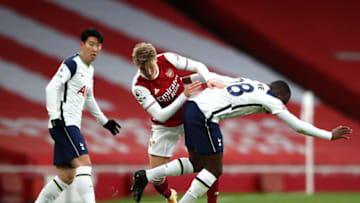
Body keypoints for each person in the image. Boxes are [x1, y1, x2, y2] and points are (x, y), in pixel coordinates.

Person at [131, 73, 353, 203]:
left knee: (198, 164)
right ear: (279, 95)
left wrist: (182, 80)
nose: (279, 107)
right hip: (205, 117)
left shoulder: (249, 81)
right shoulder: (272, 99)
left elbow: (213, 77)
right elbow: (297, 126)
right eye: (283, 102)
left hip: (191, 108)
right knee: (214, 169)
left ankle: (146, 174)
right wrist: (328, 135)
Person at [35, 28, 121, 203]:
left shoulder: (89, 70)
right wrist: (54, 116)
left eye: (98, 45)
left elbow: (89, 97)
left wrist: (104, 121)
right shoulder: (72, 63)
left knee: (66, 177)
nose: (95, 49)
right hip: (65, 123)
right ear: (82, 44)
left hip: (68, 124)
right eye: (91, 44)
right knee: (84, 163)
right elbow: (51, 87)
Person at [131, 42, 224, 203]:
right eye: (143, 69)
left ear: (155, 58)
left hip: (189, 118)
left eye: (150, 66)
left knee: (210, 161)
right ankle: (170, 196)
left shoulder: (167, 59)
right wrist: (184, 95)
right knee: (157, 178)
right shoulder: (139, 86)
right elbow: (161, 116)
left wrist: (208, 79)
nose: (149, 71)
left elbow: (198, 65)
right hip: (165, 127)